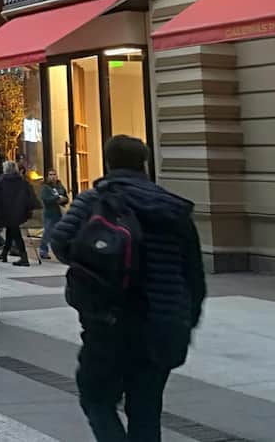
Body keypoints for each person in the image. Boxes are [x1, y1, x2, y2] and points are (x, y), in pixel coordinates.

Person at [50, 135, 206, 442]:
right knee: (146, 410)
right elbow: (194, 274)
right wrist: (187, 318)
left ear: (109, 163)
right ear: (144, 164)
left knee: (96, 398)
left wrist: (93, 263)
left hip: (109, 319)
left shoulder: (95, 201)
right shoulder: (173, 207)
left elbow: (60, 241)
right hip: (162, 323)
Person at [0, 160, 36, 266]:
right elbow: (29, 196)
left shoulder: (1, 181)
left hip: (6, 211)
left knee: (16, 233)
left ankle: (24, 257)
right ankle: (4, 253)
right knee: (11, 231)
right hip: (19, 211)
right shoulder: (22, 181)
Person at [38, 167, 70, 261]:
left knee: (60, 234)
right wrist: (57, 199)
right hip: (49, 213)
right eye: (50, 175)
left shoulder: (60, 186)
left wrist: (64, 199)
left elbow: (65, 197)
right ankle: (43, 250)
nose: (52, 176)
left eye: (54, 174)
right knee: (47, 232)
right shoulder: (45, 187)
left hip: (59, 212)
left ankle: (62, 252)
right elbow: (45, 199)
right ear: (47, 176)